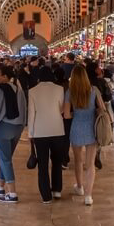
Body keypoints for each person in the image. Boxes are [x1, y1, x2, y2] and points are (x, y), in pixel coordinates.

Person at [63, 65, 109, 205]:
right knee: (90, 164)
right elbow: (103, 109)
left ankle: (80, 187)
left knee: (78, 161)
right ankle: (88, 196)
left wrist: (75, 113)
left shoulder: (70, 92)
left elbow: (66, 115)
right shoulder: (94, 90)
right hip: (91, 128)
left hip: (76, 127)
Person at [0, 63, 28, 203]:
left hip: (4, 127)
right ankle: (0, 186)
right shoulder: (17, 88)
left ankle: (12, 193)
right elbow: (23, 108)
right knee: (4, 158)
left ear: (5, 76)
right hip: (17, 127)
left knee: (5, 159)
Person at [27, 66, 67, 203]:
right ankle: (57, 190)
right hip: (57, 130)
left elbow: (31, 114)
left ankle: (46, 195)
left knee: (42, 165)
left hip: (40, 131)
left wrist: (30, 134)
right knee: (57, 161)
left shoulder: (32, 91)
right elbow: (62, 109)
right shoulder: (59, 89)